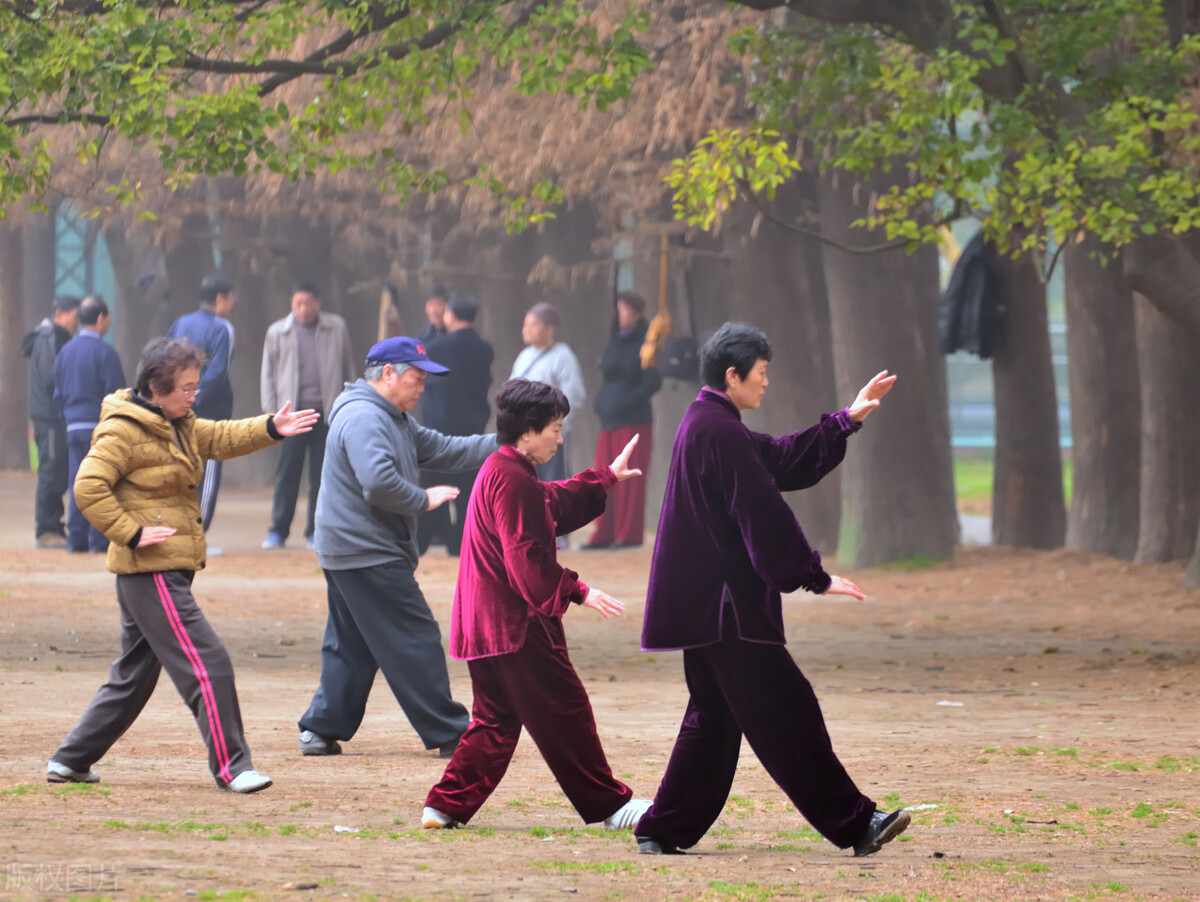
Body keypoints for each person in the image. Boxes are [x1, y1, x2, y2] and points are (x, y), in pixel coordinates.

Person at [632, 322, 908, 858]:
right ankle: (857, 823)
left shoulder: (709, 421)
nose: (765, 384)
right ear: (732, 375)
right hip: (726, 608)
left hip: (709, 607)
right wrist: (812, 575)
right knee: (789, 709)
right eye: (760, 374)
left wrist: (845, 420)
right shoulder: (717, 430)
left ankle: (663, 827)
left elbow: (777, 458)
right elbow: (760, 510)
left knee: (712, 719)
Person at [46, 337, 319, 792]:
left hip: (166, 570)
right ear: (156, 387)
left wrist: (273, 426)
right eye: (186, 389)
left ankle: (69, 761)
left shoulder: (181, 423)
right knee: (208, 662)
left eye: (195, 388)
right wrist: (131, 532)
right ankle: (234, 767)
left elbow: (221, 437)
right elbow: (88, 486)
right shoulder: (122, 429)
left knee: (133, 677)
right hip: (150, 572)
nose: (193, 397)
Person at [423, 378, 652, 832]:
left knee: (495, 721)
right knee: (565, 709)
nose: (560, 437)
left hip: (482, 624)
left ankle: (445, 805)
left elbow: (551, 501)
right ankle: (611, 805)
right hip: (514, 626)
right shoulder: (511, 478)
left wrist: (605, 476)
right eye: (555, 428)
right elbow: (527, 558)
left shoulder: (502, 469)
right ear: (527, 431)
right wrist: (578, 590)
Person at [297, 337, 497, 758]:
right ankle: (451, 730)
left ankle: (320, 727)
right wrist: (424, 500)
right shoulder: (366, 419)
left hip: (350, 549)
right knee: (414, 635)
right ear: (387, 374)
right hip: (364, 548)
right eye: (416, 379)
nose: (421, 388)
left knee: (351, 642)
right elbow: (379, 483)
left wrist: (506, 443)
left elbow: (443, 448)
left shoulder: (395, 417)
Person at [260, 281, 356, 550]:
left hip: (328, 413)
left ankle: (316, 530)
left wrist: (349, 405)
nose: (302, 309)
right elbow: (267, 375)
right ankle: (278, 530)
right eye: (297, 303)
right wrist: (271, 414)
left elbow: (348, 366)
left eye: (307, 303)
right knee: (287, 474)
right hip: (291, 416)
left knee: (322, 475)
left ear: (318, 302)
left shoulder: (336, 328)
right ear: (292, 304)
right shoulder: (278, 331)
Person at [417, 293, 494, 557]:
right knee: (468, 491)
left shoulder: (437, 348)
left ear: (450, 314)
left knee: (433, 485)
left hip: (440, 430)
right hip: (473, 428)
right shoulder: (485, 349)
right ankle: (461, 542)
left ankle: (423, 540)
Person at [583, 291, 662, 550]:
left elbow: (652, 381)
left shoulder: (648, 341)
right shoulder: (615, 338)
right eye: (618, 309)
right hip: (609, 419)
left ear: (636, 313)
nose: (620, 314)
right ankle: (603, 532)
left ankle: (627, 534)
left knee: (628, 479)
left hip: (633, 419)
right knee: (604, 476)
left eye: (624, 309)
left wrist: (624, 403)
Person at [54, 295, 126, 554]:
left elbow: (58, 392)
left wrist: (68, 419)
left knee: (78, 482)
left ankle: (76, 538)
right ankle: (98, 539)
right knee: (102, 482)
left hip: (73, 426)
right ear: (100, 318)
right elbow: (117, 394)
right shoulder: (105, 353)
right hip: (99, 427)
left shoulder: (65, 352)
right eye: (107, 318)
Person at [168, 274, 237, 534]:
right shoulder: (223, 328)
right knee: (208, 470)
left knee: (179, 466)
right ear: (220, 299)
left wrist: (178, 399)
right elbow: (218, 373)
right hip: (210, 412)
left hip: (176, 410)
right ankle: (197, 532)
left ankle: (175, 528)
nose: (231, 306)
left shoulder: (179, 323)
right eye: (230, 300)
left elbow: (165, 363)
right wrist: (195, 397)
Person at [21, 294, 81, 548]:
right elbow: (50, 376)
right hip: (49, 415)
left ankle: (54, 526)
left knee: (57, 469)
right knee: (50, 470)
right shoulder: (48, 336)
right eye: (75, 317)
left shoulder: (54, 336)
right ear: (61, 314)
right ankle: (46, 529)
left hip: (52, 414)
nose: (77, 323)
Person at [509, 302, 586, 487]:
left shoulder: (563, 356)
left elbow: (573, 396)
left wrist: (552, 427)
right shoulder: (524, 356)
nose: (525, 329)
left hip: (551, 436)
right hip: (525, 435)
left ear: (549, 329)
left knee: (553, 484)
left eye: (532, 324)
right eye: (525, 324)